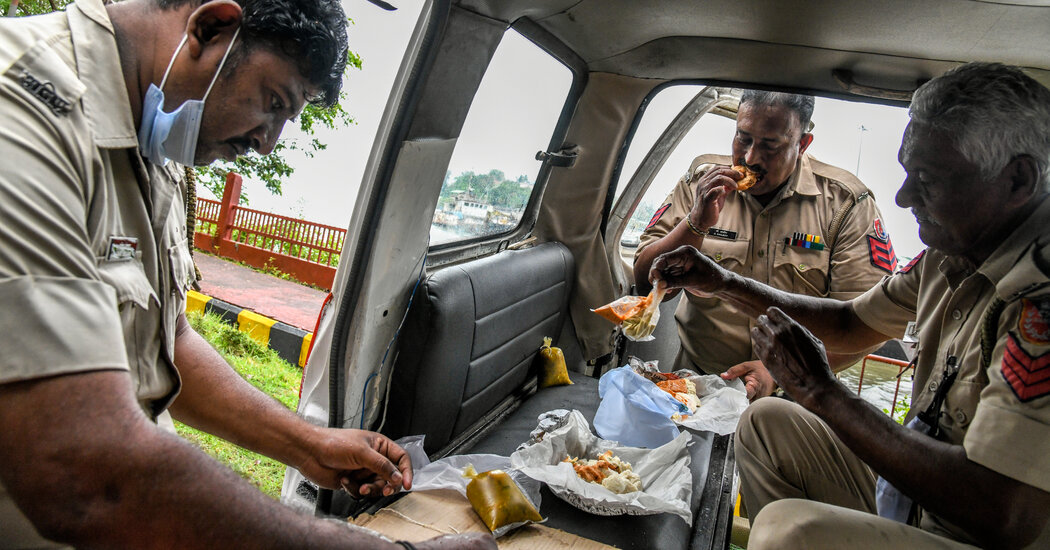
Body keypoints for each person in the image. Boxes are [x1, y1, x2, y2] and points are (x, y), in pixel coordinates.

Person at [0, 1, 494, 549]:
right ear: (209, 28)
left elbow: (165, 339)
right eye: (273, 102)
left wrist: (308, 444)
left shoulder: (146, 130)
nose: (267, 142)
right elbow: (87, 478)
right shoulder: (22, 113)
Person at [650, 62, 1050, 549]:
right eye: (907, 172)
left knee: (785, 533)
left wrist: (818, 390)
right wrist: (723, 281)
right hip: (918, 497)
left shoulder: (1038, 303)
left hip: (980, 527)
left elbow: (1003, 515)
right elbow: (848, 321)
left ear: (1017, 180)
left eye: (928, 178)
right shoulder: (949, 256)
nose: (904, 197)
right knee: (768, 424)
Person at [634, 90, 895, 400]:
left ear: (802, 145)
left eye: (770, 145)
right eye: (743, 139)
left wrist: (779, 371)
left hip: (797, 392)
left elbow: (870, 324)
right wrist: (695, 223)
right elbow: (644, 282)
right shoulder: (700, 183)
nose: (750, 158)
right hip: (697, 384)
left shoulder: (845, 204)